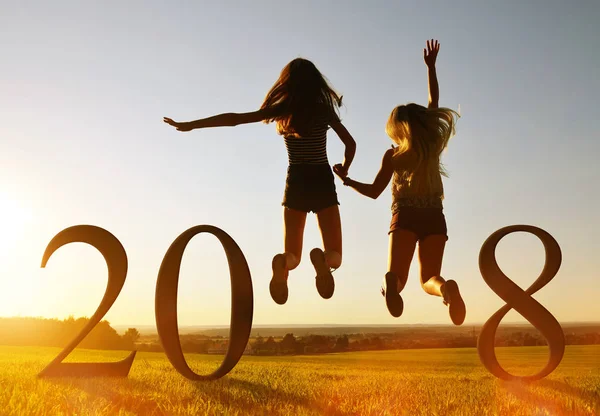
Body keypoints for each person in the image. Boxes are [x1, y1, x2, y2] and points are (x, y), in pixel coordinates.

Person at [164, 58, 356, 305]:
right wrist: (345, 168)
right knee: (336, 255)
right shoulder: (323, 110)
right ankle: (323, 259)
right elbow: (351, 144)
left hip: (296, 180)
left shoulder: (283, 110)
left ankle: (282, 264)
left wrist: (192, 125)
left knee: (293, 255)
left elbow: (235, 119)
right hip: (321, 178)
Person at [333, 40, 465, 325]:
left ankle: (390, 283)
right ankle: (446, 289)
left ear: (396, 129)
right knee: (429, 277)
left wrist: (347, 180)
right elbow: (434, 103)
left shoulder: (393, 156)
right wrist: (431, 68)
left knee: (400, 275)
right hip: (433, 214)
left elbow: (373, 192)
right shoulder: (430, 144)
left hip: (404, 215)